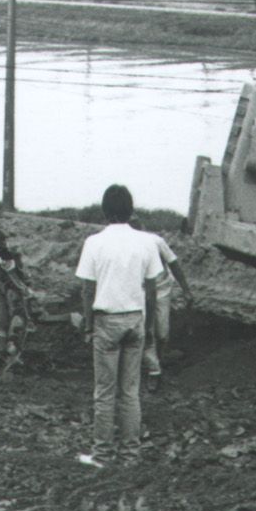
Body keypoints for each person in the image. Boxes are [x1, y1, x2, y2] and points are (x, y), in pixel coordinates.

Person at [75, 185, 163, 468]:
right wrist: (149, 327)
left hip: (107, 321)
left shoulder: (94, 243)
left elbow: (88, 290)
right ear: (131, 210)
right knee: (130, 392)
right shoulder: (146, 243)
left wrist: (88, 326)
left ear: (104, 211)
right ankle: (130, 455)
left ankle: (102, 455)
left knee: (104, 393)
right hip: (135, 319)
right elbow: (152, 291)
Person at [130, 218, 194, 394]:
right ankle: (154, 370)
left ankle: (158, 357)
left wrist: (186, 289)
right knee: (146, 331)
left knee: (162, 333)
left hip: (162, 288)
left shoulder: (156, 242)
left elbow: (174, 264)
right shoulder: (125, 245)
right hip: (140, 290)